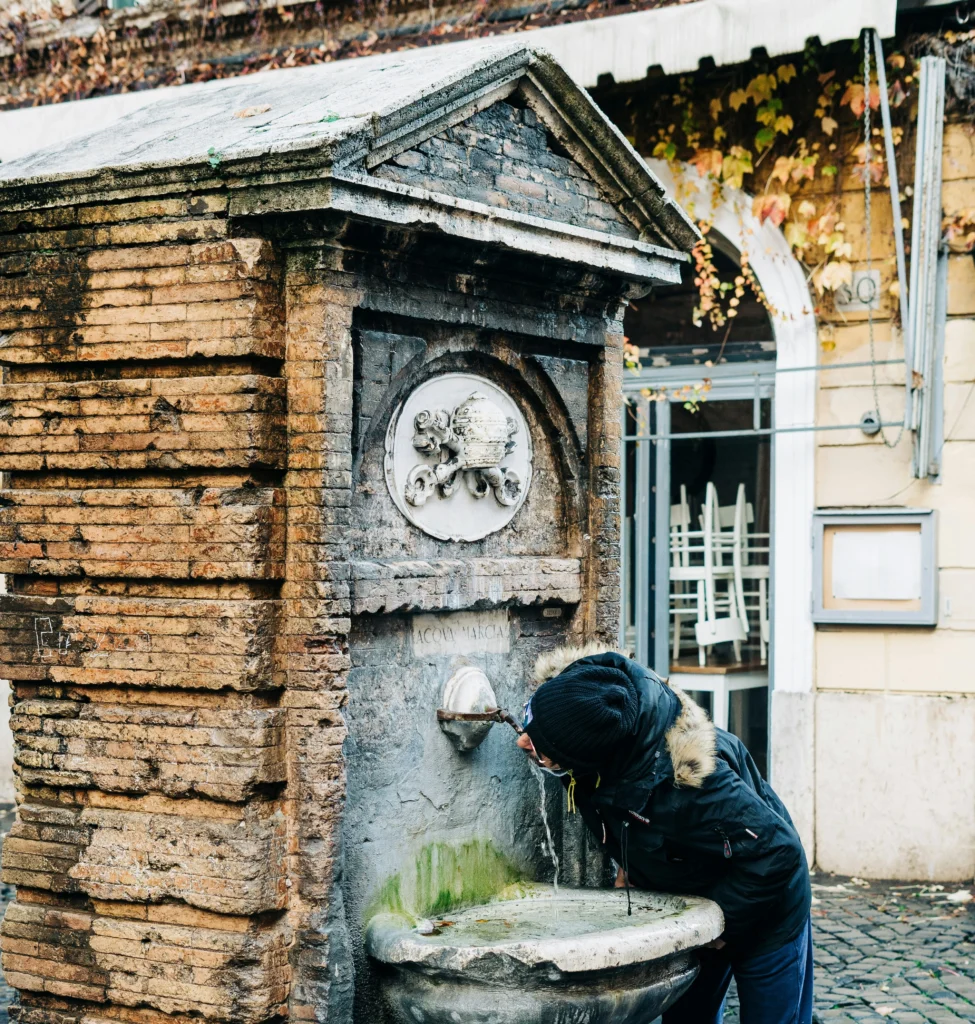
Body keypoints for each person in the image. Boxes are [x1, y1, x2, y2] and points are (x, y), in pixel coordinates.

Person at [516, 644, 813, 1024]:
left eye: (540, 747)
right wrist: (629, 864)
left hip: (768, 907)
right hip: (689, 896)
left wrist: (720, 923)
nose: (523, 742)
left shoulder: (697, 783)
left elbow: (779, 852)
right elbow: (620, 806)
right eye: (530, 729)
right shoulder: (590, 716)